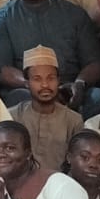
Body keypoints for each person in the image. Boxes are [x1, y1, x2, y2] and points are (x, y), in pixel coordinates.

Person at [0, 0, 100, 110]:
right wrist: (36, 86)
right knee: (19, 98)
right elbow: (1, 70)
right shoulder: (1, 19)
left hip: (70, 87)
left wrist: (80, 84)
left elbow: (93, 62)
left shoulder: (75, 14)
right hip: (26, 89)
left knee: (99, 98)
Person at [13, 46, 84, 175]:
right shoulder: (13, 116)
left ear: (58, 81)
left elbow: (77, 164)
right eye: (37, 79)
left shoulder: (73, 120)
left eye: (51, 78)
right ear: (27, 83)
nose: (45, 85)